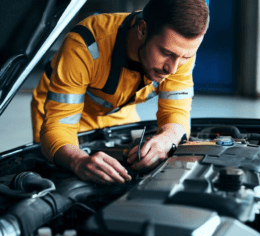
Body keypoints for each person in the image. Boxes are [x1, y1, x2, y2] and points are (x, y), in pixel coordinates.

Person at [31, 0, 209, 185]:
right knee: (65, 177)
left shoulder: (179, 49)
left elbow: (177, 112)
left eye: (185, 57)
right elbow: (60, 126)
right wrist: (78, 161)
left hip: (118, 110)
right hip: (63, 113)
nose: (172, 69)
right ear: (142, 30)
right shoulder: (86, 45)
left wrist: (168, 138)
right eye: (166, 53)